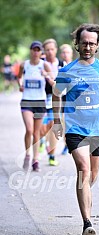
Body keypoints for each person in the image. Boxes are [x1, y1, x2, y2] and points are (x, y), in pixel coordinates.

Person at [52, 23, 99, 235]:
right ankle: (87, 223)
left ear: (98, 45)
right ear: (78, 44)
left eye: (92, 43)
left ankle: (84, 195)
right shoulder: (67, 71)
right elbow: (57, 95)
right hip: (75, 128)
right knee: (83, 169)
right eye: (84, 43)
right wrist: (57, 121)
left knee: (91, 176)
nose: (88, 47)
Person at [18, 40, 54, 172]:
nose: (36, 52)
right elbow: (19, 77)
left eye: (38, 50)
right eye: (34, 49)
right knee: (29, 129)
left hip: (40, 102)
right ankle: (28, 155)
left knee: (36, 132)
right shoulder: (24, 65)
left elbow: (53, 83)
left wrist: (46, 76)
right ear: (31, 51)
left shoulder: (45, 66)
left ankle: (35, 160)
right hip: (27, 101)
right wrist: (20, 85)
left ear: (41, 52)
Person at [40, 38, 64, 166]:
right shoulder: (40, 64)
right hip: (41, 99)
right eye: (47, 50)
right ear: (44, 51)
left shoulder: (61, 64)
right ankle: (42, 140)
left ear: (56, 50)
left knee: (54, 126)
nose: (49, 52)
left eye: (52, 49)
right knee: (42, 129)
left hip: (56, 98)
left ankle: (52, 155)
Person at [59, 44, 74, 155]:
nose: (65, 54)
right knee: (63, 121)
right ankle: (66, 144)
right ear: (61, 54)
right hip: (61, 97)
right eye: (63, 52)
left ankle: (68, 144)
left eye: (67, 52)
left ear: (71, 54)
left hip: (73, 97)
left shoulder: (76, 66)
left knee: (71, 121)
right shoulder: (58, 66)